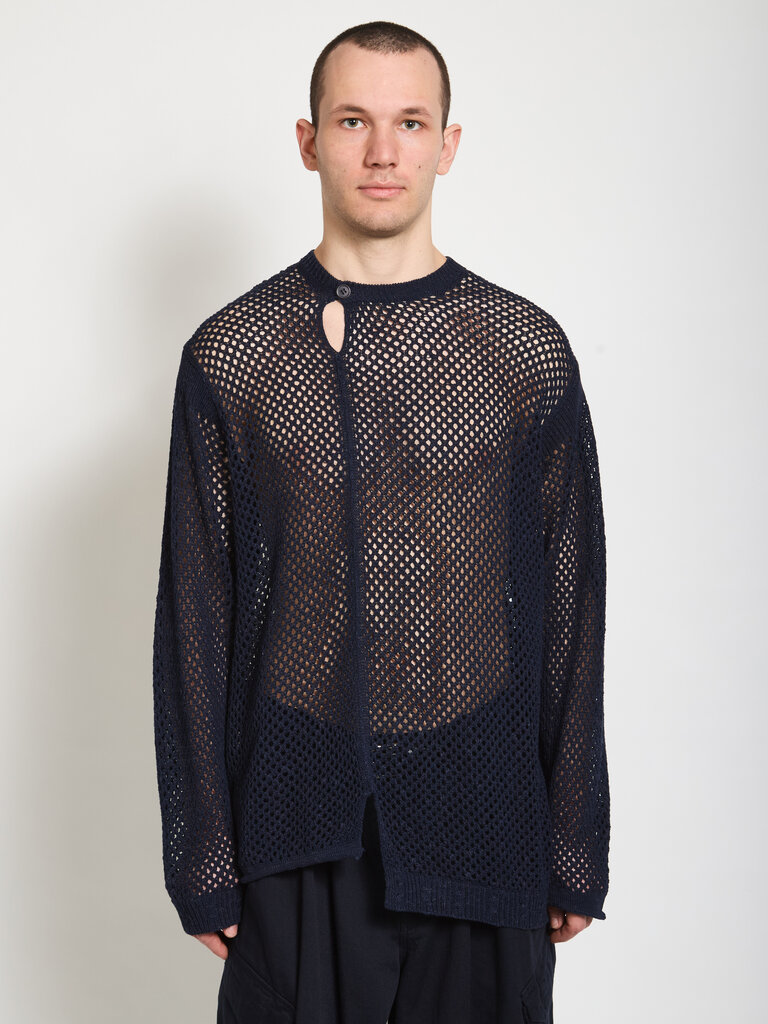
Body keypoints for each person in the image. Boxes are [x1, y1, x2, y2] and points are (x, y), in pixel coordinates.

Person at [152, 19, 610, 1024]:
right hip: (298, 821)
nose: (383, 151)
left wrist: (574, 840)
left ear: (448, 144)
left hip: (485, 813)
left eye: (410, 123)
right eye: (354, 120)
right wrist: (203, 851)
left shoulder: (523, 353)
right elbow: (195, 610)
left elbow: (573, 602)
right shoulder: (234, 355)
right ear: (309, 140)